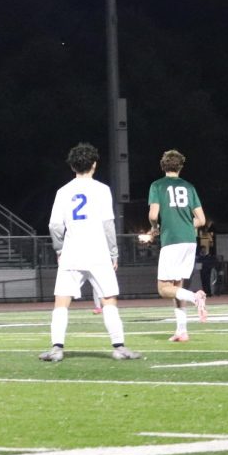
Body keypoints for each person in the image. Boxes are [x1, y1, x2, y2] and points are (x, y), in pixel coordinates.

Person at [39, 143, 141, 362]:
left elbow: (55, 226)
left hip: (72, 251)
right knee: (109, 300)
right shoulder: (102, 189)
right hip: (98, 252)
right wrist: (114, 253)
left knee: (61, 302)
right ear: (94, 164)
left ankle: (57, 348)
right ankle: (119, 347)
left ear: (72, 166)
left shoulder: (63, 191)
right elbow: (108, 225)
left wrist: (59, 249)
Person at [147, 149, 208, 343]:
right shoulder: (189, 187)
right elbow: (201, 219)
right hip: (189, 240)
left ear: (162, 165)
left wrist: (155, 228)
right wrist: (185, 226)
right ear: (180, 166)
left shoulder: (157, 185)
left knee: (164, 288)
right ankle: (182, 330)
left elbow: (153, 215)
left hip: (171, 240)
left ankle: (195, 297)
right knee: (177, 286)